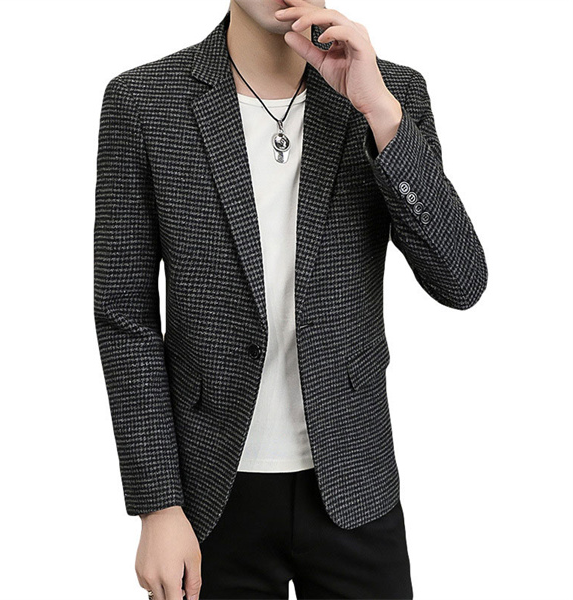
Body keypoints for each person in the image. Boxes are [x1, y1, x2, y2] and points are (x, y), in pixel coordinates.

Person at [93, 0, 488, 599]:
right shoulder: (145, 101)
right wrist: (158, 504)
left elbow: (461, 281)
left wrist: (381, 115)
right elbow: (125, 316)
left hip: (354, 479)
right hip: (208, 495)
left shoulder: (392, 93)